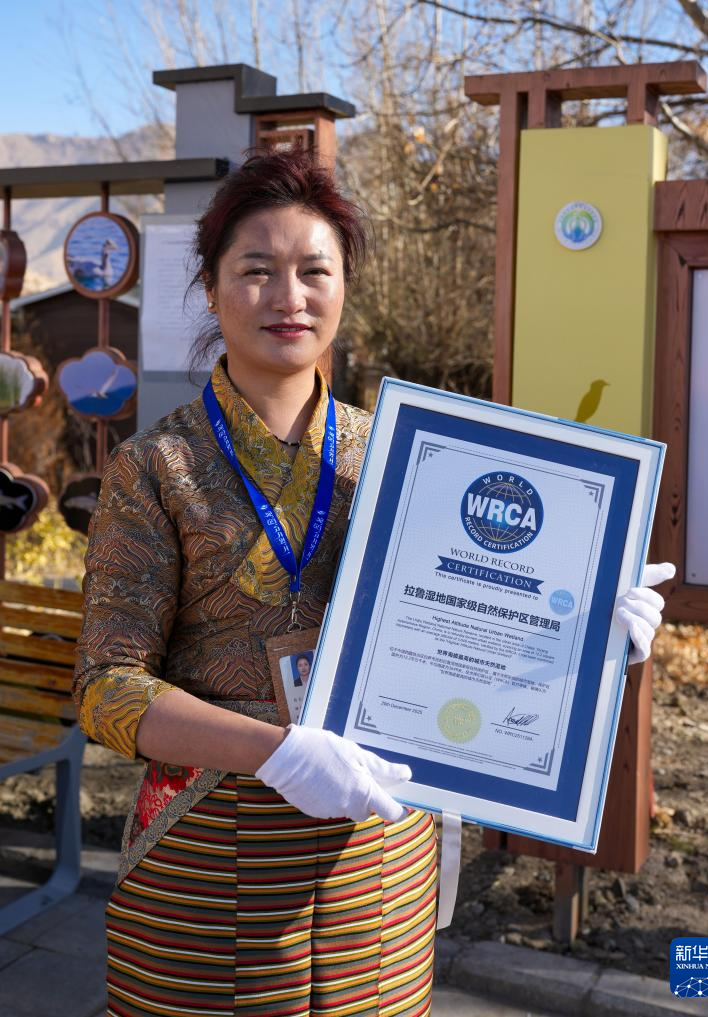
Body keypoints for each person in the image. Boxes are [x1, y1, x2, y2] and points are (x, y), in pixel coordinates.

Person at [72, 149, 673, 1016]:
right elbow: (106, 687)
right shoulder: (155, 465)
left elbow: (477, 622)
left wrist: (586, 643)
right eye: (257, 269)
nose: (289, 296)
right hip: (207, 848)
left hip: (379, 860)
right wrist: (276, 750)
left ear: (346, 287)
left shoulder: (411, 452)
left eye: (316, 270)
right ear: (210, 287)